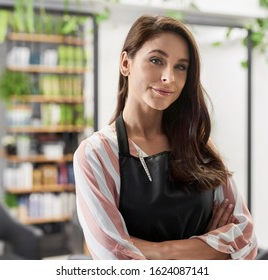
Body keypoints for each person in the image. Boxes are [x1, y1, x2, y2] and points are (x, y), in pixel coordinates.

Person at [73, 14, 257, 260]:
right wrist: (209, 248)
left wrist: (161, 250)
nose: (169, 77)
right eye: (156, 60)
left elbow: (246, 241)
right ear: (125, 63)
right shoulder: (96, 154)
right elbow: (114, 258)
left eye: (181, 66)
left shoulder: (200, 148)